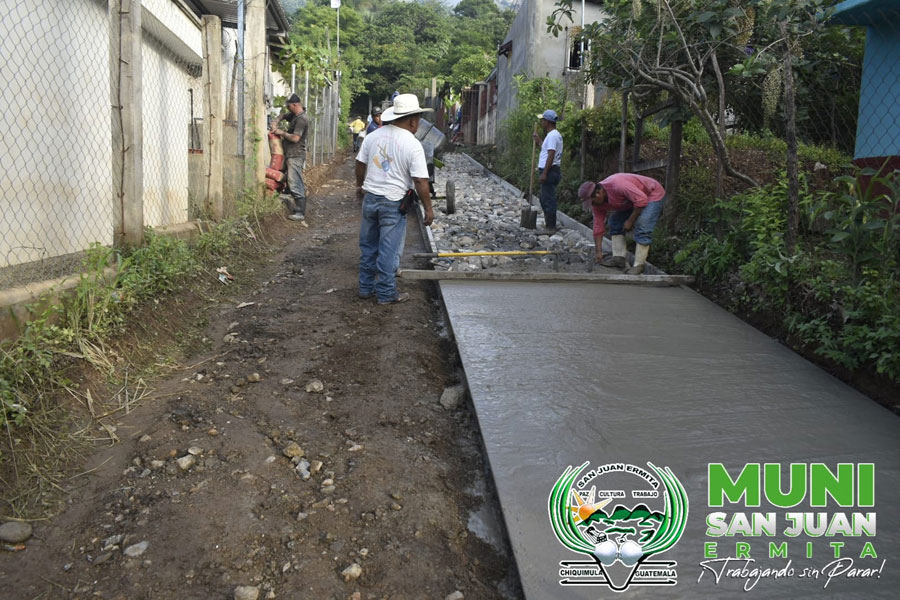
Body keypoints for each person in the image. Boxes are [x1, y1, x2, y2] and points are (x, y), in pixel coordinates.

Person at [355, 94, 435, 305]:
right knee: (388, 251)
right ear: (413, 121)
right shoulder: (413, 144)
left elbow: (360, 163)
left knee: (368, 247)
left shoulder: (373, 137)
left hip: (371, 198)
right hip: (393, 202)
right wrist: (428, 208)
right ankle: (386, 293)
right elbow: (420, 180)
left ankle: (365, 288)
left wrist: (359, 186)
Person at [578, 174, 666, 275]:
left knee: (643, 225)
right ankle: (619, 258)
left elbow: (641, 201)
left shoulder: (618, 185)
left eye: (592, 202)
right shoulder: (597, 204)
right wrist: (598, 252)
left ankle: (639, 265)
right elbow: (598, 226)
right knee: (614, 222)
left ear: (598, 193)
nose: (593, 205)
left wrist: (630, 221)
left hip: (651, 194)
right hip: (632, 199)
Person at [271, 94, 309, 224]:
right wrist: (276, 121)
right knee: (287, 177)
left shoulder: (301, 120)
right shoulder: (294, 115)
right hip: (290, 154)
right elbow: (283, 115)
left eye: (289, 107)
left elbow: (295, 138)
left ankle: (300, 211)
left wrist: (281, 132)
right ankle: (288, 194)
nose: (288, 109)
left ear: (295, 105)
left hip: (296, 155)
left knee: (294, 180)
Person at [532, 109, 563, 232]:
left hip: (550, 171)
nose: (541, 122)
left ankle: (551, 226)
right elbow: (546, 150)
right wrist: (539, 140)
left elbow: (551, 155)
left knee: (548, 199)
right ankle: (549, 224)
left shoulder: (552, 136)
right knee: (545, 198)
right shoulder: (554, 135)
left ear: (548, 122)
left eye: (543, 120)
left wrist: (544, 173)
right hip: (552, 170)